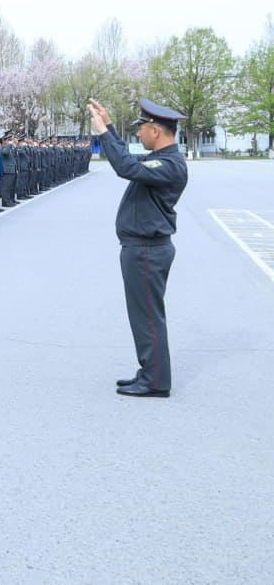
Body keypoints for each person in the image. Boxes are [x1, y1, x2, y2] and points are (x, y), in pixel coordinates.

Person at [89, 97, 188, 398]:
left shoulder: (169, 164)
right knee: (143, 314)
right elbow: (131, 163)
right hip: (143, 248)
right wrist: (108, 127)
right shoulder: (162, 160)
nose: (137, 134)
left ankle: (156, 381)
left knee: (146, 316)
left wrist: (104, 133)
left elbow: (125, 167)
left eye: (141, 128)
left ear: (156, 131)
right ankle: (149, 371)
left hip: (147, 249)